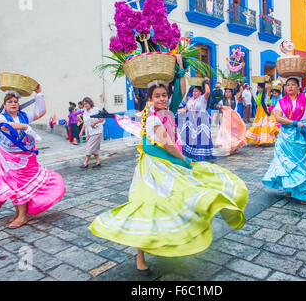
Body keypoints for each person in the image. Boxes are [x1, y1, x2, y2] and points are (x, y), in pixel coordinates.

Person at [89, 80, 248, 273]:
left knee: (170, 204)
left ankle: (170, 239)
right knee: (148, 208)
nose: (162, 98)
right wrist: (186, 160)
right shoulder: (153, 118)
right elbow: (168, 145)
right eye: (157, 96)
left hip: (164, 165)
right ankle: (141, 254)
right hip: (154, 169)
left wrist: (181, 69)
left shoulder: (164, 113)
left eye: (164, 95)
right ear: (150, 98)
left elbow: (180, 93)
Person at [0, 86, 65, 228]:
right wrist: (24, 127)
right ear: (4, 105)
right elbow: (4, 126)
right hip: (7, 157)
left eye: (15, 101)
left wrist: (39, 93)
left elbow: (40, 111)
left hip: (25, 159)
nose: (13, 104)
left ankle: (23, 216)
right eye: (10, 102)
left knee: (19, 185)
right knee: (12, 184)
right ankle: (18, 213)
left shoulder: (24, 115)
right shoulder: (0, 116)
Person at [263, 74, 306, 205]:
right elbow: (278, 118)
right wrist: (294, 122)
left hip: (300, 136)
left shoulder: (305, 97)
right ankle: (289, 188)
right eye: (287, 85)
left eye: (293, 84)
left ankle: (304, 193)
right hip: (285, 137)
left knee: (303, 163)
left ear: (299, 87)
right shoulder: (281, 102)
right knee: (287, 164)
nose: (290, 87)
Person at [178, 78, 215, 161]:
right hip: (191, 122)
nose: (194, 93)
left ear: (200, 92)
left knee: (201, 138)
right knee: (190, 138)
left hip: (201, 121)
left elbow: (208, 92)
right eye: (193, 91)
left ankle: (201, 155)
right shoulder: (190, 100)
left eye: (196, 91)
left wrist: (205, 82)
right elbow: (185, 109)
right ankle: (191, 154)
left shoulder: (203, 99)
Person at [215, 88, 247, 154]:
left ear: (231, 93)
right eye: (226, 92)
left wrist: (238, 84)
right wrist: (221, 122)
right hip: (226, 120)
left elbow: (241, 90)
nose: (227, 93)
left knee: (235, 133)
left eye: (229, 92)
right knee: (228, 133)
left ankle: (235, 147)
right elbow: (220, 112)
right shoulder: (222, 101)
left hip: (234, 119)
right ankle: (230, 147)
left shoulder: (235, 98)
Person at [79, 97, 105, 168]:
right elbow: (85, 123)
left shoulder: (96, 110)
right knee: (95, 148)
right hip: (89, 132)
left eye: (86, 103)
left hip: (97, 131)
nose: (85, 105)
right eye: (84, 104)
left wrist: (95, 122)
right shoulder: (85, 113)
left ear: (90, 103)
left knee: (89, 147)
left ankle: (86, 163)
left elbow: (102, 118)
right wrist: (81, 132)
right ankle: (98, 162)